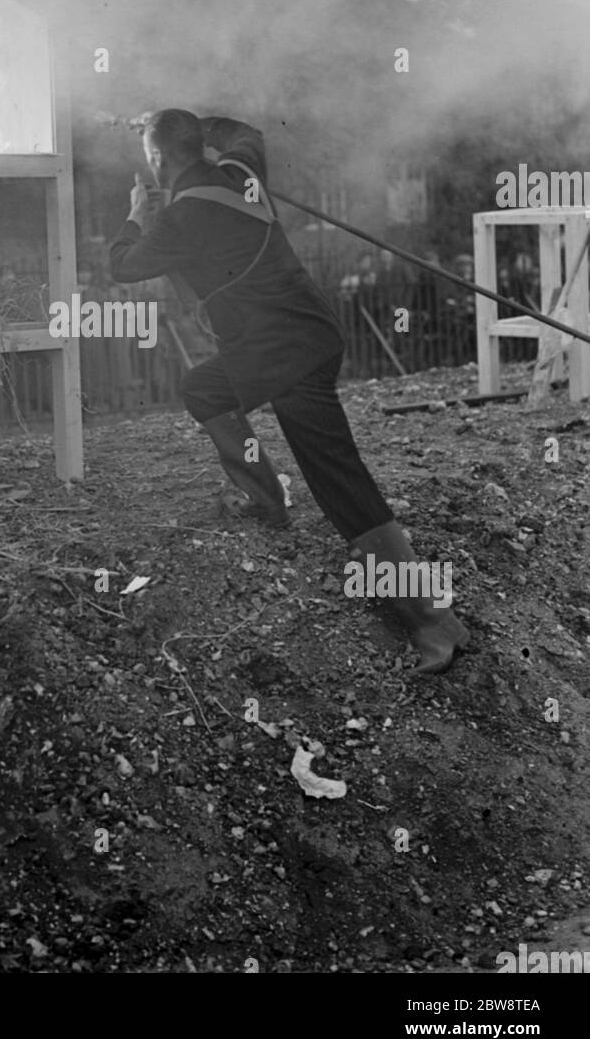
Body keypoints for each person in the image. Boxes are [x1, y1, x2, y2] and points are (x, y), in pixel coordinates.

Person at [109, 109, 468, 674]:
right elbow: (241, 132)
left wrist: (134, 214)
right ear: (200, 142)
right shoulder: (240, 171)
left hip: (284, 354)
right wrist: (177, 118)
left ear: (155, 160)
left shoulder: (178, 218)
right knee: (203, 390)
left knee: (339, 479)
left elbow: (122, 267)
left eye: (151, 154)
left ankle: (431, 622)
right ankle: (266, 499)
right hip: (305, 332)